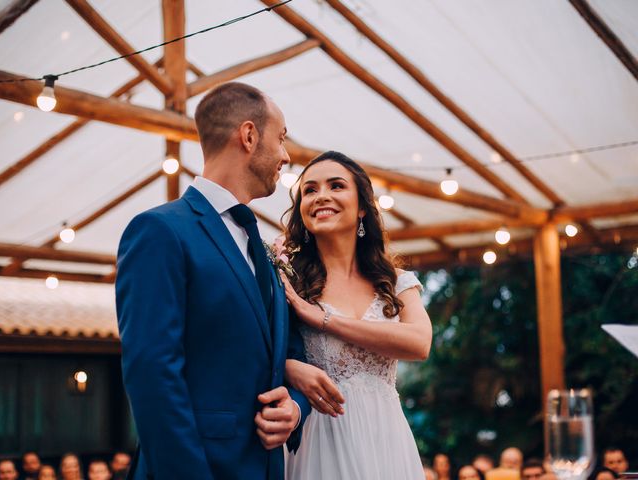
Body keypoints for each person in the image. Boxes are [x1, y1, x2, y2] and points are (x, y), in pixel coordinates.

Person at [116, 82, 310, 480]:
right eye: (281, 138)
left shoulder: (261, 244)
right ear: (249, 135)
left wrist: (294, 406)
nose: (286, 156)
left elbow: (290, 352)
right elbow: (154, 374)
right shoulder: (160, 231)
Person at [281, 151, 433, 479]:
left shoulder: (394, 280)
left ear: (362, 206)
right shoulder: (287, 280)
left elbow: (419, 343)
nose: (322, 196)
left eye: (336, 186)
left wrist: (324, 319)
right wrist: (288, 367)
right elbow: (261, 347)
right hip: (321, 439)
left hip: (387, 438)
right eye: (310, 190)